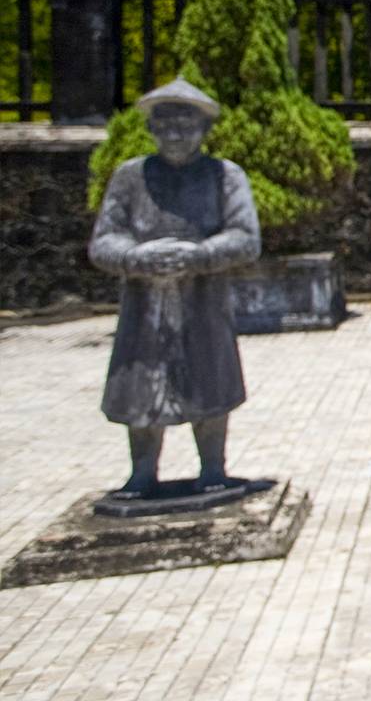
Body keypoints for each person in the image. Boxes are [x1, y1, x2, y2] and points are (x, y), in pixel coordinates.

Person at [90, 78, 261, 498]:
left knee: (210, 381)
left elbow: (245, 236)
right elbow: (103, 239)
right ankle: (143, 472)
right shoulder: (131, 176)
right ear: (151, 130)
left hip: (202, 299)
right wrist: (135, 258)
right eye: (164, 126)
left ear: (204, 131)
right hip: (145, 300)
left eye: (185, 126)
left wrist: (199, 255)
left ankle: (213, 467)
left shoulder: (224, 175)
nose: (175, 135)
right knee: (141, 386)